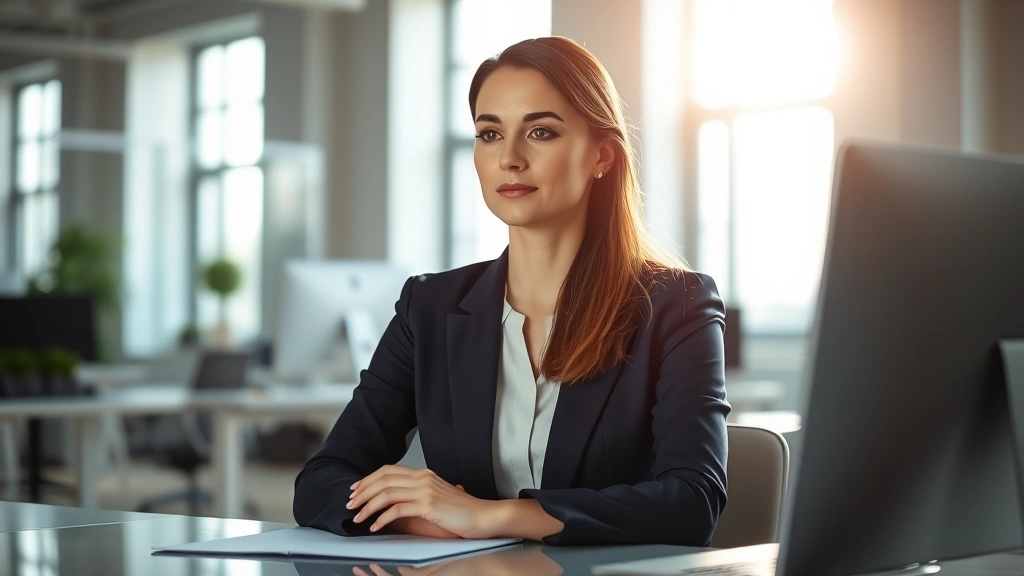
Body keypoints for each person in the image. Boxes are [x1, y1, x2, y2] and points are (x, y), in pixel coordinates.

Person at [293, 36, 729, 546]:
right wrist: (430, 519)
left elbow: (692, 502)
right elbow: (322, 482)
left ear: (602, 157)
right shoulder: (429, 308)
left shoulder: (677, 306)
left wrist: (488, 517)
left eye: (541, 132)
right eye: (490, 134)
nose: (510, 158)